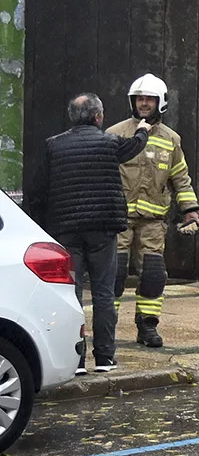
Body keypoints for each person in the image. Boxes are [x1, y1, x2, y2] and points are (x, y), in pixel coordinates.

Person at [22, 93, 151, 373]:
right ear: (98, 117)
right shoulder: (108, 142)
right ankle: (105, 358)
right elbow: (132, 147)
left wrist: (45, 226)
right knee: (104, 294)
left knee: (72, 294)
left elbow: (37, 190)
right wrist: (143, 129)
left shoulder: (54, 146)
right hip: (103, 230)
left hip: (66, 231)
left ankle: (75, 360)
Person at [106, 74, 199, 349]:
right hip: (118, 220)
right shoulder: (115, 134)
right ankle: (106, 326)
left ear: (161, 102)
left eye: (149, 99)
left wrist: (190, 211)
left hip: (153, 223)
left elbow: (181, 179)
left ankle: (147, 327)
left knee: (153, 274)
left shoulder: (171, 139)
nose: (144, 104)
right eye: (139, 99)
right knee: (114, 274)